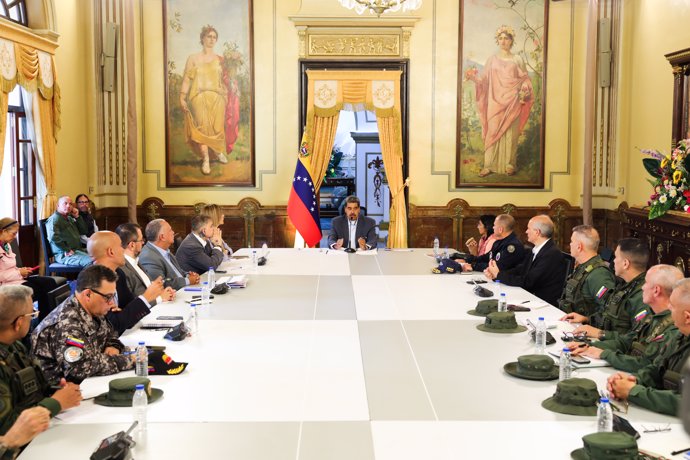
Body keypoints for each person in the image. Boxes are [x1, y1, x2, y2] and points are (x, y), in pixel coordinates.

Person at [31, 265, 136, 383]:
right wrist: (131, 360)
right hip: (65, 391)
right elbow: (79, 368)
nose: (112, 303)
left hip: (90, 382)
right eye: (108, 297)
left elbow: (110, 333)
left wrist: (113, 345)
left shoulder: (94, 308)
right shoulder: (68, 324)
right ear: (88, 294)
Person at [0, 285, 81, 437]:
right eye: (32, 314)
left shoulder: (15, 346)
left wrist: (56, 391)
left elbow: (32, 390)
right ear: (18, 323)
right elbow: (6, 429)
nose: (33, 319)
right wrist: (55, 404)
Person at [571, 264, 682, 373]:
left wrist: (605, 354)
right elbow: (627, 341)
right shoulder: (654, 317)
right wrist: (588, 346)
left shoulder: (674, 327)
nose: (642, 287)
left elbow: (645, 364)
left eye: (646, 283)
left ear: (656, 290)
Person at [607, 277, 690, 416]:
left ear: (687, 317)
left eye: (673, 306)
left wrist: (633, 391)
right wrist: (633, 380)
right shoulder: (680, 336)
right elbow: (656, 369)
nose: (668, 308)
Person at [465, 25, 533, 178]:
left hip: (513, 101)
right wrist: (473, 77)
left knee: (511, 133)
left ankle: (510, 164)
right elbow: (484, 80)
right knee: (492, 131)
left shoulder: (517, 59)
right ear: (497, 41)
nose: (503, 41)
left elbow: (525, 79)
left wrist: (524, 89)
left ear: (511, 41)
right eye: (500, 38)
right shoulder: (491, 60)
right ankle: (488, 165)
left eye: (506, 38)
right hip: (494, 103)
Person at [561, 238, 649, 339]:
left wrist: (600, 334)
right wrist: (587, 319)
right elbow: (610, 315)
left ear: (625, 263)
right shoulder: (627, 285)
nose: (613, 261)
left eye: (616, 257)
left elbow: (635, 339)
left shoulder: (643, 295)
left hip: (614, 350)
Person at [179, 25, 237, 176]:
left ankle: (217, 152)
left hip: (218, 98)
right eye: (208, 36)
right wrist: (182, 97)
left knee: (217, 129)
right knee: (202, 128)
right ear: (202, 38)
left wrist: (233, 73)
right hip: (198, 97)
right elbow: (186, 79)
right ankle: (205, 159)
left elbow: (228, 80)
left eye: (214, 37)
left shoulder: (221, 60)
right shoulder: (193, 58)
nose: (211, 39)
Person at [88, 231, 165, 335]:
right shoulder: (93, 281)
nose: (124, 250)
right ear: (111, 252)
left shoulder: (118, 273)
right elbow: (115, 325)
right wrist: (146, 297)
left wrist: (124, 313)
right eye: (120, 246)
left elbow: (128, 310)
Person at [484, 215, 565, 306]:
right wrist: (496, 274)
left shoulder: (551, 254)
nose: (526, 231)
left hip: (543, 304)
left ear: (537, 232)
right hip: (531, 297)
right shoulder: (538, 249)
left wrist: (499, 275)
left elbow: (528, 282)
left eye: (528, 229)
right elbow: (521, 269)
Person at [0, 218, 58, 320]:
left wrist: (21, 270)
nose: (15, 237)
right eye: (13, 234)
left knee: (50, 282)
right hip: (6, 284)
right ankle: (44, 320)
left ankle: (48, 320)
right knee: (39, 290)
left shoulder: (6, 245)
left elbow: (9, 267)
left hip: (15, 279)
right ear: (3, 231)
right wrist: (19, 273)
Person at [558, 225, 616, 317]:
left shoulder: (599, 274)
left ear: (579, 247)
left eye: (572, 241)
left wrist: (586, 319)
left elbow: (609, 310)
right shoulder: (583, 266)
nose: (570, 244)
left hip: (585, 328)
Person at [115, 223, 175, 306]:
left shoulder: (136, 261)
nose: (143, 243)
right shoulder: (121, 269)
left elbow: (149, 288)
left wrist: (162, 292)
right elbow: (132, 304)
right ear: (132, 245)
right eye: (141, 240)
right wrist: (160, 298)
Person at [138, 219, 201, 290]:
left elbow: (178, 271)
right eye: (170, 230)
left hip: (184, 290)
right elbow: (161, 284)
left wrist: (188, 275)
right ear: (162, 237)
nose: (173, 232)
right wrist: (188, 280)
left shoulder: (164, 250)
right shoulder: (148, 257)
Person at [460, 214, 525, 272]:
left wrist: (473, 265)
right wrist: (468, 259)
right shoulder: (499, 241)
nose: (492, 228)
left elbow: (497, 267)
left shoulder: (512, 246)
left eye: (494, 225)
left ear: (500, 229)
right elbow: (486, 257)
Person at [45, 196, 91, 267]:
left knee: (101, 256)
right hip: (65, 254)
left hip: (78, 250)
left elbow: (83, 231)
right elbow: (53, 237)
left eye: (70, 204)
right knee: (92, 262)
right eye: (65, 203)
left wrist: (77, 217)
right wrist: (67, 249)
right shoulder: (54, 219)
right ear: (58, 205)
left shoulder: (69, 218)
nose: (68, 206)